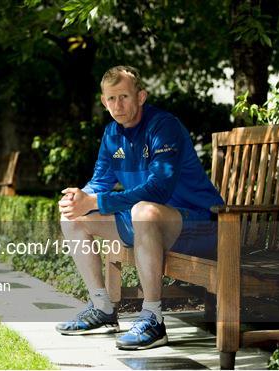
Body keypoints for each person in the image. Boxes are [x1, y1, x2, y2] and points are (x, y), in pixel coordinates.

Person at [56, 65, 224, 350]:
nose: (117, 105)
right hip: (150, 225)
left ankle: (153, 319)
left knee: (143, 212)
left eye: (124, 96)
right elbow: (99, 182)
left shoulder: (164, 126)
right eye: (111, 99)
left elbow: (159, 188)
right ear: (103, 101)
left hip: (201, 225)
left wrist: (95, 201)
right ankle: (103, 309)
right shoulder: (112, 133)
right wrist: (79, 197)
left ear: (141, 96)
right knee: (72, 216)